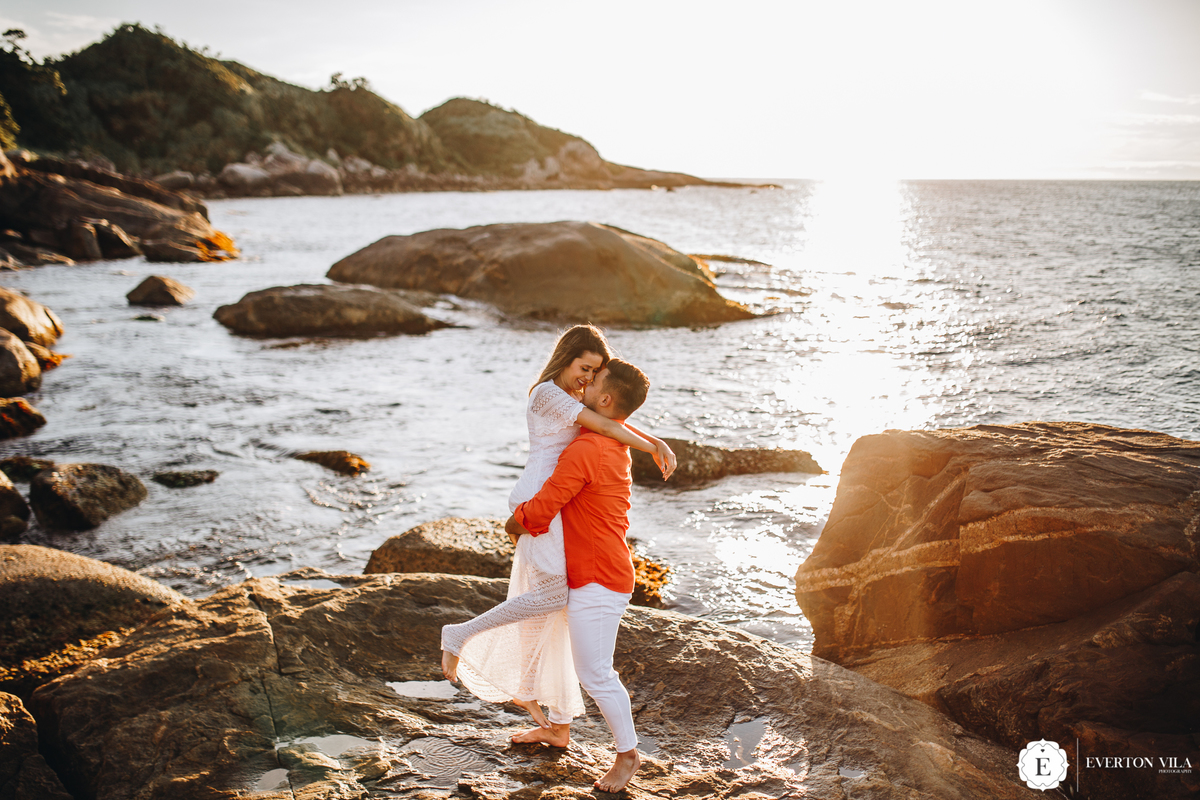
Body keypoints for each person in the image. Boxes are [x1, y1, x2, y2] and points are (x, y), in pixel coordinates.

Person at [440, 325, 675, 735]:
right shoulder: (548, 393)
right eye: (585, 367)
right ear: (566, 358)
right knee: (553, 596)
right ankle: (460, 634)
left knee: (556, 609)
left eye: (595, 371)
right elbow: (606, 425)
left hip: (551, 502)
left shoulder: (571, 397)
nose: (587, 377)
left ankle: (554, 719)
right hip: (540, 500)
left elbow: (610, 419)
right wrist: (655, 445)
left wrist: (654, 440)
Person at [504, 358, 652, 793]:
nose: (583, 385)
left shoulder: (589, 449)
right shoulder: (605, 441)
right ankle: (558, 729)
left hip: (599, 578)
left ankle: (628, 756)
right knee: (560, 648)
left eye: (594, 382)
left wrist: (511, 524)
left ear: (604, 400)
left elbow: (543, 507)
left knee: (595, 673)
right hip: (585, 572)